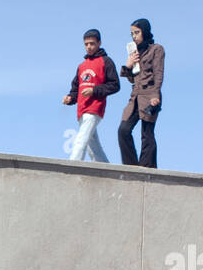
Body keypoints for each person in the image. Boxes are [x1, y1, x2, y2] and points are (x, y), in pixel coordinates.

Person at [62, 28, 120, 162]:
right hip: (81, 110)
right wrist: (70, 98)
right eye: (86, 44)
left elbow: (115, 85)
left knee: (81, 139)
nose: (89, 47)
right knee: (92, 146)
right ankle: (105, 168)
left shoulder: (106, 61)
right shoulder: (82, 66)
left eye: (92, 43)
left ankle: (72, 166)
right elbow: (75, 88)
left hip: (94, 108)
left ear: (99, 43)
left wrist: (94, 90)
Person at [118, 18, 164, 167]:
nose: (134, 36)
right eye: (132, 33)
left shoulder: (156, 49)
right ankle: (132, 168)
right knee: (123, 131)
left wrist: (156, 96)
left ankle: (147, 169)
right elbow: (132, 79)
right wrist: (128, 65)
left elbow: (158, 73)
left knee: (147, 134)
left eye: (137, 32)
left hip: (150, 96)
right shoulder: (135, 53)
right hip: (135, 98)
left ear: (144, 31)